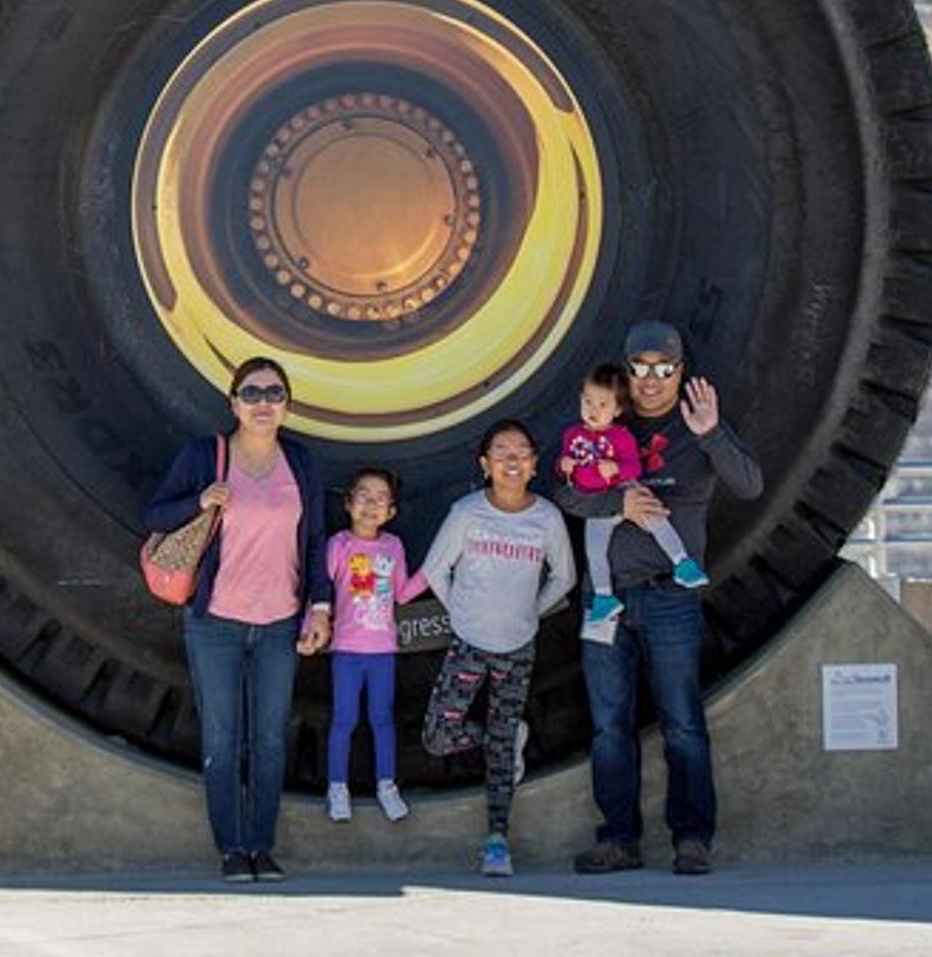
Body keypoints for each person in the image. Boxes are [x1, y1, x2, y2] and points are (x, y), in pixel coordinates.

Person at [556, 320, 762, 877]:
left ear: (680, 371)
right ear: (627, 373)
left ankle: (692, 839)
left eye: (663, 369)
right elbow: (565, 495)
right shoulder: (600, 424)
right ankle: (618, 840)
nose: (651, 380)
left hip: (672, 600)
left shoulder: (697, 427)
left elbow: (749, 485)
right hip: (608, 602)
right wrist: (615, 508)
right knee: (608, 727)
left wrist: (713, 432)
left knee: (682, 723)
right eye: (640, 369)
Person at [142, 356, 333, 883]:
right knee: (222, 741)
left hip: (279, 622)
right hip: (215, 622)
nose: (263, 403)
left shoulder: (302, 463)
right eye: (251, 394)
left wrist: (320, 606)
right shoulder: (207, 456)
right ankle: (231, 849)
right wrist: (200, 500)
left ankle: (262, 847)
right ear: (233, 404)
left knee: (271, 741)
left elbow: (316, 540)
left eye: (274, 393)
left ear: (287, 405)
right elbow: (154, 517)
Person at [418, 419, 576, 876]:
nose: (512, 459)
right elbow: (434, 570)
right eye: (501, 452)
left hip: (518, 647)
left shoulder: (546, 517)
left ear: (533, 464)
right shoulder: (467, 513)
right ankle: (501, 742)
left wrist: (532, 611)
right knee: (438, 736)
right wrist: (460, 613)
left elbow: (563, 577)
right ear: (485, 464)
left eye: (521, 451)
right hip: (468, 644)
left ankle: (497, 843)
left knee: (503, 752)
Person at [559, 363, 708, 644]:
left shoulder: (621, 436)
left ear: (616, 410)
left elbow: (634, 468)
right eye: (587, 401)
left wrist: (615, 469)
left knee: (655, 518)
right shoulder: (572, 435)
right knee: (595, 550)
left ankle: (682, 563)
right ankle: (604, 597)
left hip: (624, 487)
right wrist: (563, 465)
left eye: (602, 404)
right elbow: (567, 473)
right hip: (599, 502)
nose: (593, 409)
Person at [322, 466, 428, 824]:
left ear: (392, 512)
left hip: (383, 649)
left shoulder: (393, 546)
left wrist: (431, 574)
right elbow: (321, 594)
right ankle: (338, 787)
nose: (372, 505)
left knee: (383, 720)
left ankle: (387, 785)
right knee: (343, 720)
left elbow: (400, 593)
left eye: (381, 499)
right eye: (364, 496)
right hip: (347, 649)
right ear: (349, 504)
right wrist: (311, 627)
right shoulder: (339, 545)